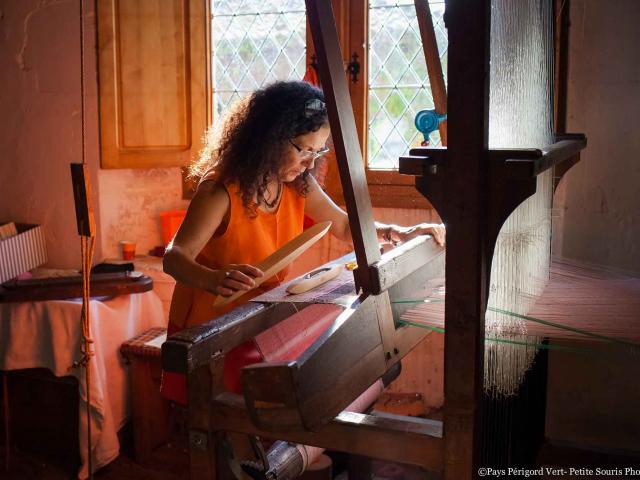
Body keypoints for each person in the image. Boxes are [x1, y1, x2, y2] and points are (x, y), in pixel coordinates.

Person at [161, 80, 445, 476]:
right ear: (269, 137)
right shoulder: (221, 189)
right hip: (215, 319)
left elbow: (345, 226)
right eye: (303, 149)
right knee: (244, 424)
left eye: (318, 151)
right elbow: (175, 258)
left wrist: (398, 231)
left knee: (311, 371)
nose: (310, 162)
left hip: (261, 312)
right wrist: (211, 277)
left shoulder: (296, 183)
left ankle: (270, 461)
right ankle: (252, 465)